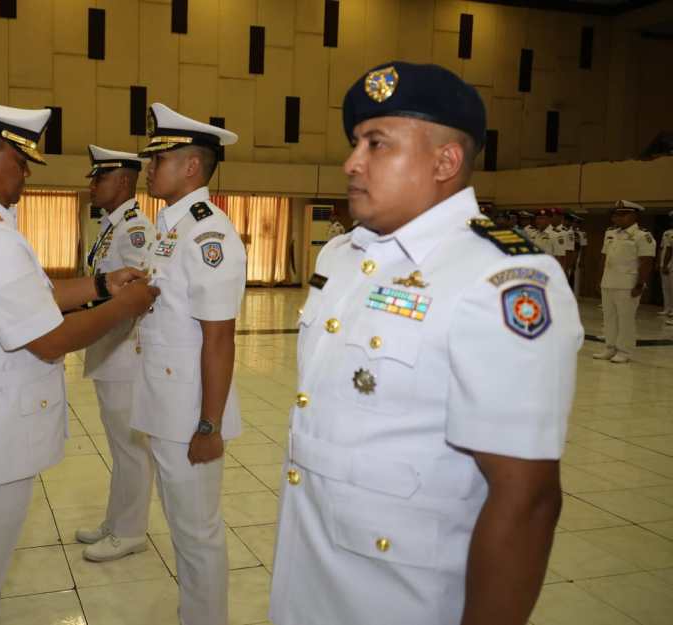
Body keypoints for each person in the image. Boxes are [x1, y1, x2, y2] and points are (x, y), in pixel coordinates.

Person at [269, 61, 583, 625]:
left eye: (376, 143)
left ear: (446, 161)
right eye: (355, 143)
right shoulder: (343, 257)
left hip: (405, 597)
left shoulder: (502, 280)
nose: (351, 162)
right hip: (312, 576)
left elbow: (527, 499)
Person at [0, 97, 158, 625]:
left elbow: (34, 293)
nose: (25, 172)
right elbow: (48, 341)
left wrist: (98, 284)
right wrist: (124, 306)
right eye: (19, 159)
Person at [132, 102, 246, 625]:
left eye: (160, 159)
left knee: (198, 532)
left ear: (192, 168)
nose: (149, 168)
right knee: (183, 527)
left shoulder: (208, 232)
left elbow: (219, 337)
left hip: (189, 414)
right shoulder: (170, 225)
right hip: (165, 404)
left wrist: (210, 425)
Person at [75, 145, 158, 562]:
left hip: (125, 352)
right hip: (109, 348)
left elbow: (135, 295)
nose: (92, 185)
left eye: (99, 178)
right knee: (120, 445)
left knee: (131, 447)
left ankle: (131, 531)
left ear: (124, 181)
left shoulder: (135, 229)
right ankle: (116, 521)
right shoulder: (113, 226)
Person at [594, 200, 656, 363]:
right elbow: (604, 257)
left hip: (628, 284)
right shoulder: (611, 233)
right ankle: (610, 348)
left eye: (623, 215)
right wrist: (600, 279)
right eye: (616, 215)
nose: (618, 218)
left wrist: (640, 284)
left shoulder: (642, 236)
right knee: (609, 318)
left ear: (634, 216)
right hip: (608, 282)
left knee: (625, 319)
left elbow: (647, 261)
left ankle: (624, 351)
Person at [659, 210, 673, 320]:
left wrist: (665, 265)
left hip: (670, 264)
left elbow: (670, 250)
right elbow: (662, 248)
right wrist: (660, 263)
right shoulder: (667, 233)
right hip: (664, 263)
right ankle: (667, 308)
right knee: (665, 287)